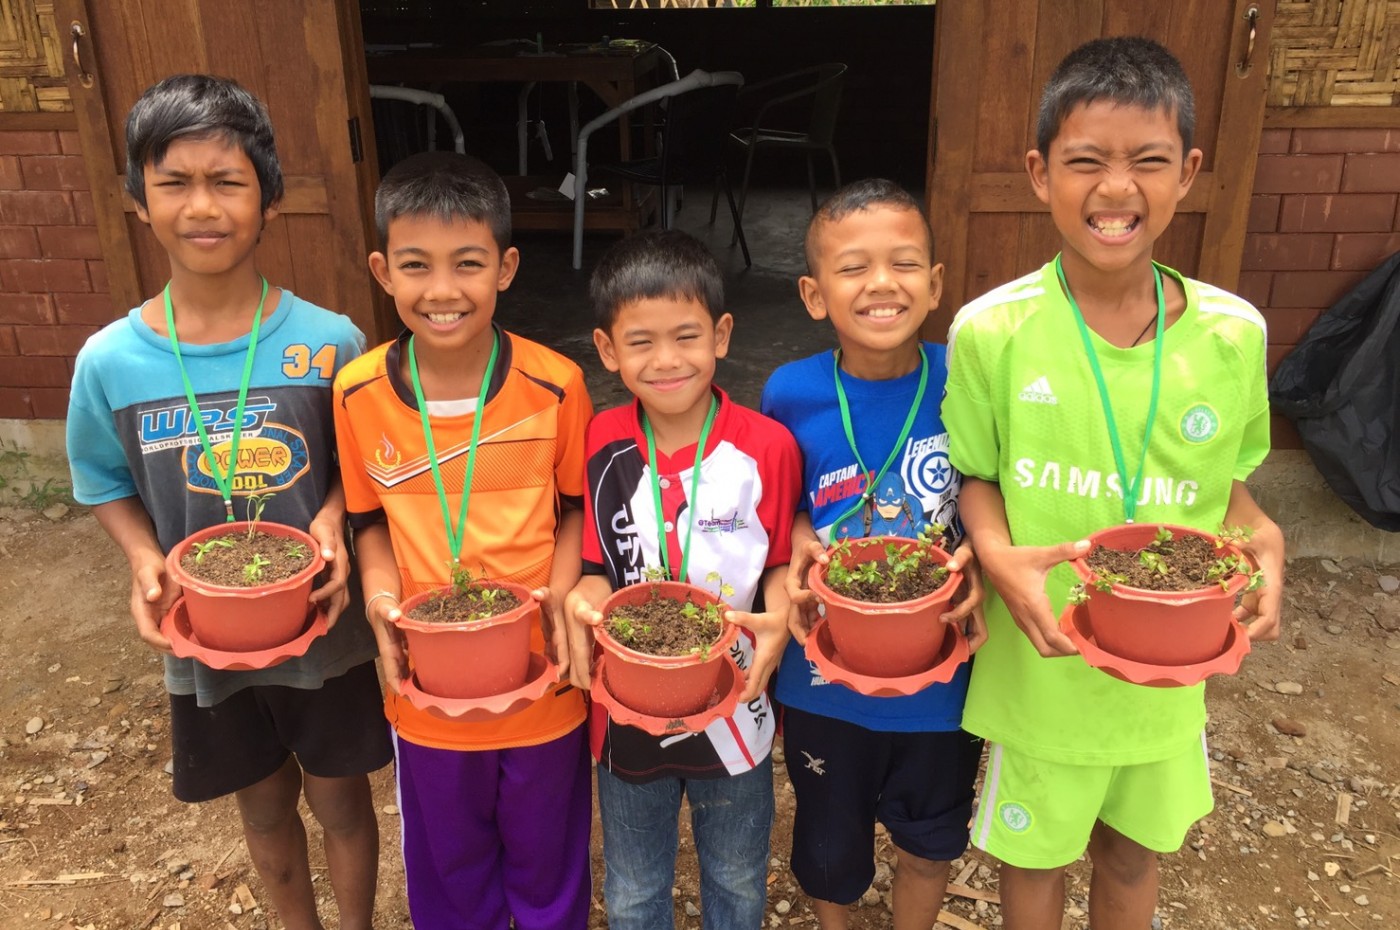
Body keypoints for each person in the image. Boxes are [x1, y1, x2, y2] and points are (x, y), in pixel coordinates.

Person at [941, 37, 1285, 930]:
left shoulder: (1233, 335)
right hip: (1045, 660)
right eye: (1086, 161)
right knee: (1034, 858)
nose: (1116, 189)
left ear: (1190, 172)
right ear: (1039, 173)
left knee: (1133, 855)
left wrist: (1263, 530)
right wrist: (997, 555)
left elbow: (1229, 488)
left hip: (1169, 671)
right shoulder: (991, 332)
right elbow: (976, 476)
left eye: (1150, 161)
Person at [66, 74, 390, 930]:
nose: (202, 206)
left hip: (324, 628)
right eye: (174, 182)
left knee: (342, 799)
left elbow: (360, 467)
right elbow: (102, 481)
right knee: (263, 804)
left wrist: (332, 515)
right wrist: (143, 557)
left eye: (228, 181)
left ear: (269, 198)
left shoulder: (329, 344)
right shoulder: (109, 361)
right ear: (139, 201)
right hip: (203, 632)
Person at [333, 151, 592, 930]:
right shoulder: (357, 392)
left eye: (468, 264)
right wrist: (381, 603)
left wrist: (559, 600)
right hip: (427, 687)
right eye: (416, 265)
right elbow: (367, 522)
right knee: (449, 871)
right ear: (382, 271)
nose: (442, 291)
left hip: (544, 681)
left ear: (506, 268)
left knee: (549, 864)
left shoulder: (556, 385)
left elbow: (576, 510)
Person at [761, 179, 987, 930]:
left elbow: (994, 490)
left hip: (942, 671)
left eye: (905, 263)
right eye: (853, 267)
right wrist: (799, 533)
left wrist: (982, 560)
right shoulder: (790, 392)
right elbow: (782, 499)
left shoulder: (965, 380)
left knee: (931, 839)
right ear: (814, 294)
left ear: (936, 285)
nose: (882, 283)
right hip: (823, 676)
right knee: (830, 846)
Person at [564, 229, 801, 930]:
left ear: (721, 335)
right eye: (640, 341)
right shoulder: (601, 442)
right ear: (607, 349)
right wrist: (582, 597)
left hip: (736, 706)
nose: (666, 360)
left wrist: (780, 619)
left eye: (687, 336)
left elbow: (780, 560)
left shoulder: (767, 447)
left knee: (737, 877)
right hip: (627, 708)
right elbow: (595, 568)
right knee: (635, 886)